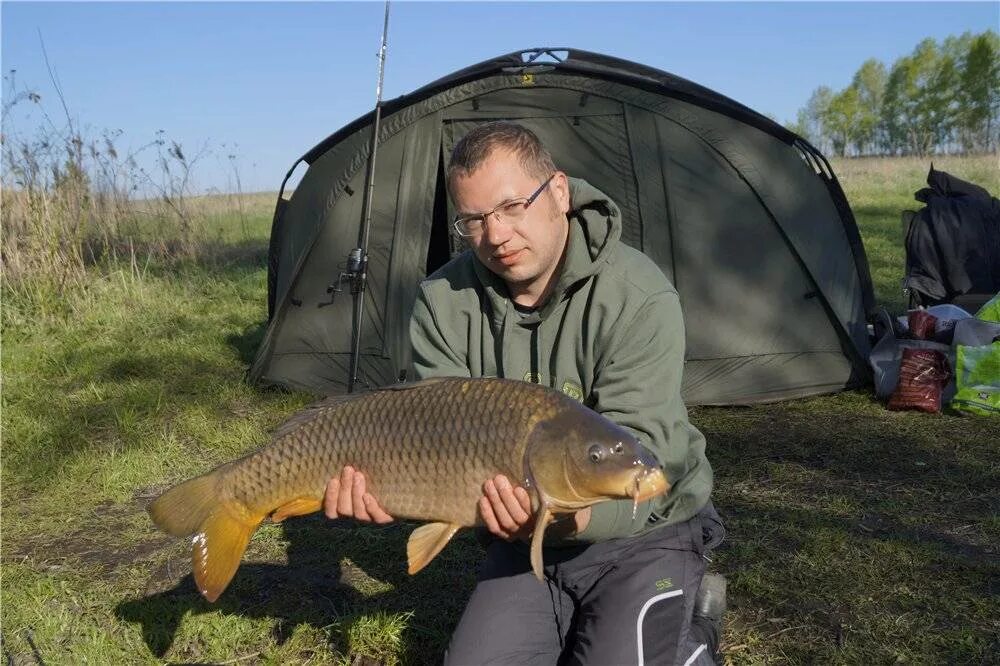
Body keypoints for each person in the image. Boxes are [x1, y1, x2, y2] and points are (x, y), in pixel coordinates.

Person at [323, 121, 725, 665]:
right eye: (474, 220)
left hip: (643, 532)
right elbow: (428, 437)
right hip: (522, 541)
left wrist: (569, 516)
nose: (497, 236)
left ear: (558, 192)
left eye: (513, 206)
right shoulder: (444, 300)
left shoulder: (639, 296)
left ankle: (692, 621)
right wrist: (387, 488)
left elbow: (647, 455)